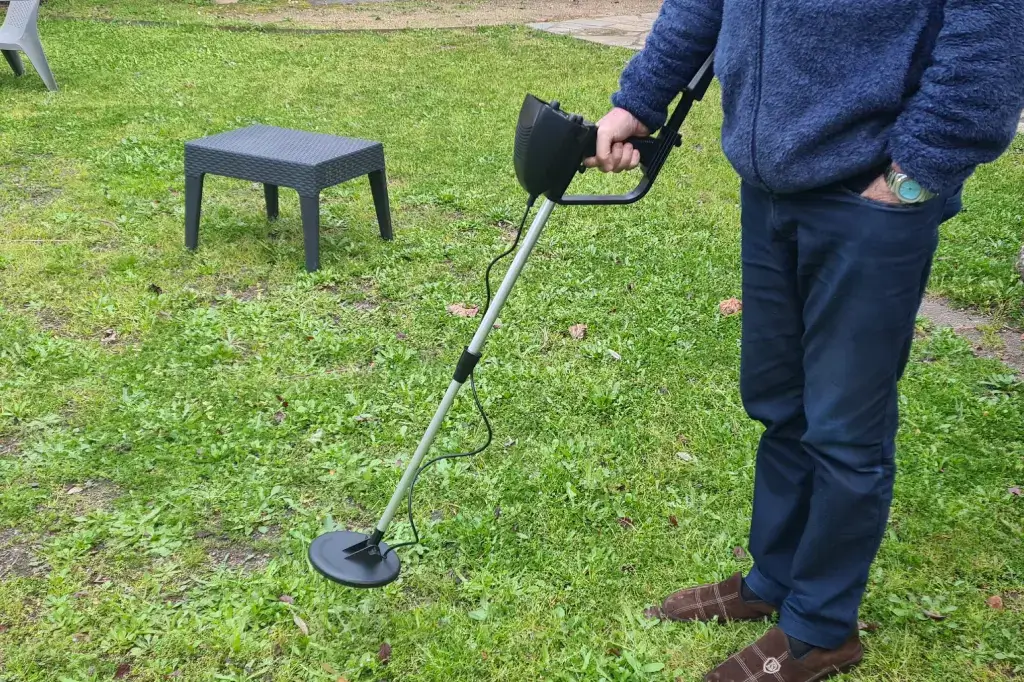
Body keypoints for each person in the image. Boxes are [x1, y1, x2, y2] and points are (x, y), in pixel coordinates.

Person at [586, 2, 1024, 681]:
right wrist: (637, 102)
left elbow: (987, 45)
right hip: (770, 190)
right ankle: (775, 580)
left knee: (847, 430)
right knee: (778, 399)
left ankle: (821, 629)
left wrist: (913, 177)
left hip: (872, 201)